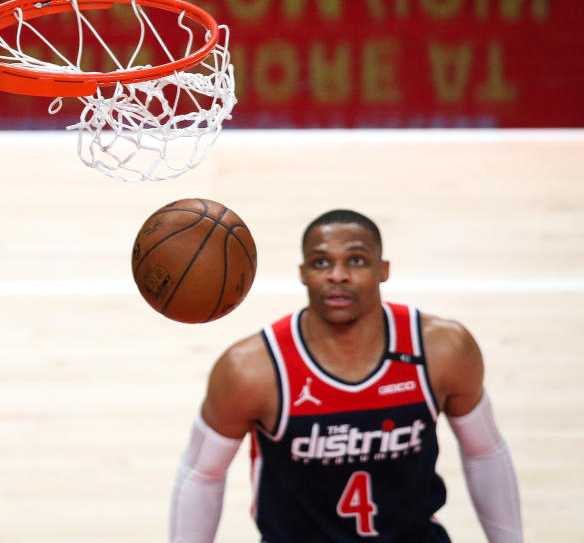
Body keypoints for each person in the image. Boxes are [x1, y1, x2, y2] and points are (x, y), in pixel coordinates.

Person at [169, 209, 522, 542]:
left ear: (383, 269)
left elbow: (485, 452)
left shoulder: (441, 350)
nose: (338, 275)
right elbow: (202, 474)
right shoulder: (251, 368)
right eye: (322, 262)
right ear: (303, 273)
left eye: (356, 260)